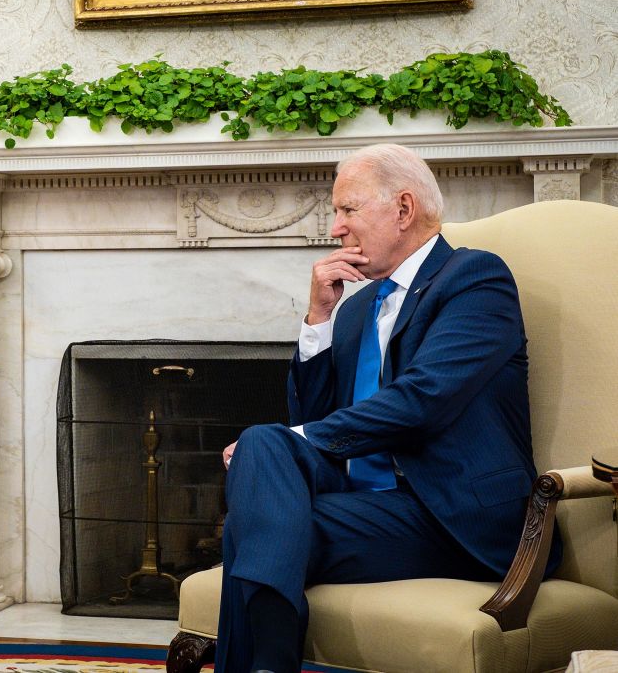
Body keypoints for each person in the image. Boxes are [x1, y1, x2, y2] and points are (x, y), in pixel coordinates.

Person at [216, 143, 559, 672]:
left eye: (347, 210)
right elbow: (314, 413)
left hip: (454, 516)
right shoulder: (353, 313)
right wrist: (319, 318)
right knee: (264, 447)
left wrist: (297, 438)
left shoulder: (475, 280)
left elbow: (422, 401)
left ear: (403, 209)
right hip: (372, 509)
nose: (335, 228)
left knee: (252, 519)